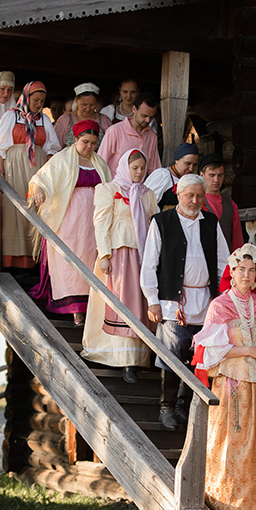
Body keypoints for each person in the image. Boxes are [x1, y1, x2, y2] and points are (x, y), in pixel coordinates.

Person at [192, 244, 256, 510]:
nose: (246, 275)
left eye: (251, 271)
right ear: (232, 273)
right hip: (232, 383)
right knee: (229, 442)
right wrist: (250, 350)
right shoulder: (220, 306)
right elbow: (210, 352)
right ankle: (221, 501)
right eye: (241, 269)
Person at [140, 173, 230, 431]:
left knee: (197, 356)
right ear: (178, 195)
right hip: (172, 304)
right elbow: (149, 264)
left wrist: (224, 297)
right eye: (189, 195)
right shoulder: (162, 221)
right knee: (171, 355)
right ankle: (166, 406)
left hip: (206, 302)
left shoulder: (210, 222)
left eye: (199, 196)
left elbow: (223, 261)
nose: (195, 201)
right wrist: (152, 300)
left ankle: (184, 403)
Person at [81, 148, 158, 379]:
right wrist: (104, 255)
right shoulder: (108, 189)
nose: (139, 172)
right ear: (125, 167)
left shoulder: (147, 194)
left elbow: (152, 224)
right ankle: (121, 358)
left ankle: (137, 357)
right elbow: (101, 223)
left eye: (142, 168)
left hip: (141, 255)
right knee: (121, 303)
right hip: (118, 253)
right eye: (134, 168)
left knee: (138, 304)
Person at [27, 120, 111, 325]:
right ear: (76, 139)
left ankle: (90, 306)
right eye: (85, 142)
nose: (89, 147)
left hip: (93, 221)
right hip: (69, 220)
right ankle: (75, 310)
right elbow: (40, 178)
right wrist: (39, 189)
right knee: (70, 261)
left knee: (91, 259)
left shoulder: (100, 163)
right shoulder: (62, 159)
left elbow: (110, 187)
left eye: (93, 143)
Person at [0, 81, 59, 269]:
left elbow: (51, 149)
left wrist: (49, 173)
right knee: (16, 210)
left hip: (38, 169)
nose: (39, 104)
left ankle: (35, 259)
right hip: (15, 168)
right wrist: (1, 172)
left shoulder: (44, 120)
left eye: (42, 101)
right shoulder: (11, 116)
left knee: (37, 210)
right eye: (36, 100)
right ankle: (14, 261)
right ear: (27, 98)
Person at [98, 92, 161, 177]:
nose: (147, 120)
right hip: (114, 184)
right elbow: (100, 163)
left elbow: (154, 169)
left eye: (151, 117)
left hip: (140, 185)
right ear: (134, 109)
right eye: (144, 116)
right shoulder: (114, 131)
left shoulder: (152, 136)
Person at [199, 153, 244, 251]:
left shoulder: (231, 206)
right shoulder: (195, 203)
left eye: (220, 175)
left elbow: (237, 241)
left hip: (226, 258)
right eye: (211, 175)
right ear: (202, 175)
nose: (216, 180)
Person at [145, 142, 199, 210]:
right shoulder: (163, 175)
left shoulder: (191, 180)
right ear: (177, 160)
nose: (191, 168)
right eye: (187, 163)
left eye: (194, 165)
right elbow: (147, 203)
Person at [54, 83, 104, 150]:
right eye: (84, 104)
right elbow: (55, 147)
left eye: (92, 105)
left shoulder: (104, 120)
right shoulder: (65, 120)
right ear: (76, 101)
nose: (88, 108)